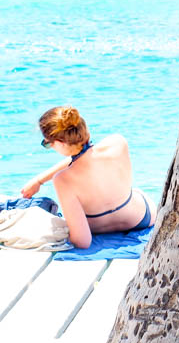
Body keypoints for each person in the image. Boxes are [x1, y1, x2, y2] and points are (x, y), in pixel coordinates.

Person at [19, 106, 155, 249]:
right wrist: (39, 180)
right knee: (135, 192)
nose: (49, 146)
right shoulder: (117, 143)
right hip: (139, 220)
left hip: (97, 229)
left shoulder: (62, 179)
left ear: (61, 143)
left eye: (47, 143)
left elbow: (82, 241)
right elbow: (84, 155)